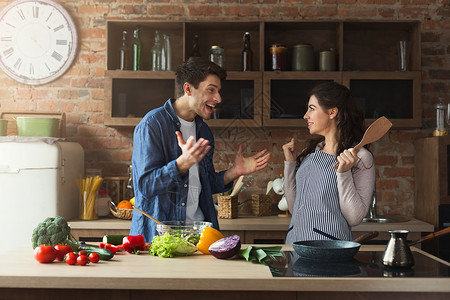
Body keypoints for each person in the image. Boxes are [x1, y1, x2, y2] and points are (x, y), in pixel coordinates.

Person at [130, 57, 271, 242]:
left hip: (199, 238)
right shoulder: (152, 124)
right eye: (211, 90)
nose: (218, 98)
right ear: (188, 89)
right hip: (160, 239)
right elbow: (144, 186)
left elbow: (203, 185)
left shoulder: (203, 130)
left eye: (219, 91)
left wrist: (234, 172)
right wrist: (181, 164)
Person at [282, 81, 375, 243]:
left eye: (312, 108)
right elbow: (293, 208)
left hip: (329, 249)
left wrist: (344, 173)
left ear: (332, 112)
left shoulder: (360, 157)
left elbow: (354, 217)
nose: (305, 115)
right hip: (295, 245)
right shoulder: (311, 153)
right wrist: (290, 165)